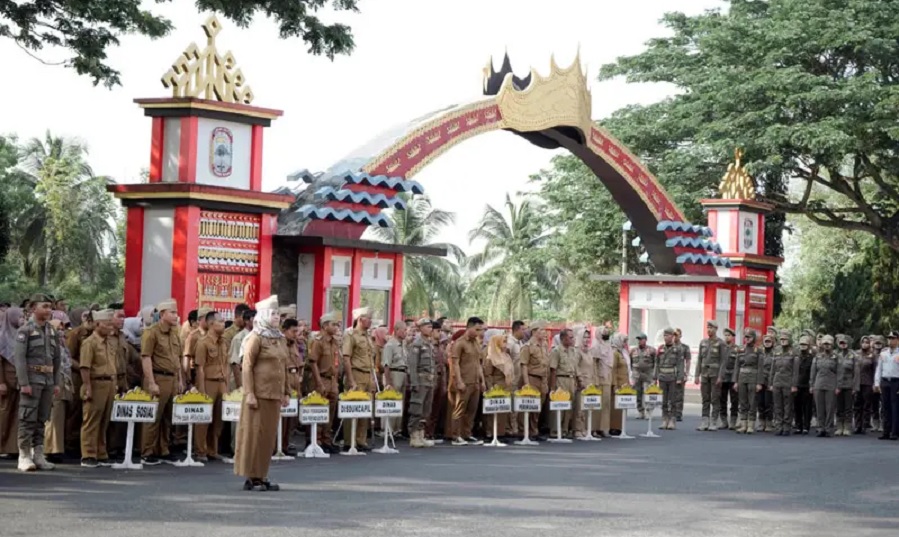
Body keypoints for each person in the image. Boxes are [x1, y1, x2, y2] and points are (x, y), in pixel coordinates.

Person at [234, 296, 290, 491]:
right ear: (264, 315)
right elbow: (247, 366)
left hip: (274, 394)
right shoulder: (255, 337)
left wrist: (286, 392)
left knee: (268, 437)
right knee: (254, 435)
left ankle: (262, 474)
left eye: (278, 314)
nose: (277, 317)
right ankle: (252, 477)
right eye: (273, 314)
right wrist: (249, 392)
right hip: (258, 395)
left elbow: (284, 366)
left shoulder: (280, 338)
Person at [14, 294, 62, 472]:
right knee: (27, 418)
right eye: (45, 306)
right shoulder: (25, 330)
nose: (49, 310)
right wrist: (23, 382)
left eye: (50, 306)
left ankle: (39, 454)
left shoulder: (52, 331)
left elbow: (57, 359)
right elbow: (19, 359)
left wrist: (56, 382)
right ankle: (24, 455)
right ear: (34, 308)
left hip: (48, 380)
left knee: (42, 419)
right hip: (32, 379)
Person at [140, 298, 183, 465]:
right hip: (158, 377)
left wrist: (180, 380)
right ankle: (147, 451)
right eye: (172, 313)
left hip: (172, 378)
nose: (176, 316)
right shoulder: (151, 332)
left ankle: (163, 449)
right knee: (153, 416)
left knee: (168, 417)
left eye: (176, 312)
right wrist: (151, 382)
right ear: (163, 314)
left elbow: (177, 359)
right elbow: (146, 358)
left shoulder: (175, 333)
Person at [78, 309, 117, 468]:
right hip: (95, 383)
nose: (110, 327)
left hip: (109, 383)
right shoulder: (90, 343)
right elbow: (85, 367)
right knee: (91, 420)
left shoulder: (110, 342)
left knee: (104, 420)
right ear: (97, 324)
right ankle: (88, 454)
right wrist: (87, 386)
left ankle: (101, 452)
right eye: (107, 324)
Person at [194, 311, 229, 462]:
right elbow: (199, 368)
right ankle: (200, 450)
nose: (223, 324)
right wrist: (201, 389)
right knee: (204, 418)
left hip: (221, 382)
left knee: (218, 419)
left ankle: (212, 450)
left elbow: (226, 364)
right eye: (220, 321)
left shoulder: (223, 342)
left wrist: (226, 385)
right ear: (211, 324)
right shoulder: (203, 343)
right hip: (208, 382)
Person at [342, 307, 376, 452]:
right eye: (368, 318)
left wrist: (373, 378)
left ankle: (361, 439)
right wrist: (351, 380)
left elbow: (371, 358)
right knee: (353, 407)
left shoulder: (368, 336)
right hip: (356, 373)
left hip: (368, 374)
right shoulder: (350, 334)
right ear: (360, 319)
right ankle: (349, 440)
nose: (371, 321)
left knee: (365, 408)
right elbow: (346, 358)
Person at [305, 312, 340, 454]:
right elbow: (313, 362)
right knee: (318, 409)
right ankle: (315, 440)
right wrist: (318, 382)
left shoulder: (334, 342)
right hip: (321, 378)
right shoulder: (318, 341)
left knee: (330, 412)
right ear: (325, 326)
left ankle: (326, 440)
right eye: (333, 324)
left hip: (332, 379)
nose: (336, 327)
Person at [448, 317, 486, 446]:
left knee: (472, 410)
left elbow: (478, 364)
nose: (479, 332)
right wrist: (459, 381)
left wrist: (482, 381)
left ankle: (467, 434)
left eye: (481, 329)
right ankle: (455, 436)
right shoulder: (460, 343)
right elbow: (455, 364)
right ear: (469, 327)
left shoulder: (476, 343)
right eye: (477, 329)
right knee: (459, 409)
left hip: (475, 382)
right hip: (464, 381)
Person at [408, 318, 437, 447]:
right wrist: (414, 382)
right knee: (416, 408)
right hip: (420, 381)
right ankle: (414, 435)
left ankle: (421, 434)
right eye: (427, 326)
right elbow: (412, 365)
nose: (430, 329)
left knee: (426, 410)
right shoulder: (417, 344)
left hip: (429, 381)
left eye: (431, 327)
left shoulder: (429, 344)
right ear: (421, 328)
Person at [0, 307, 24, 457]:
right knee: (4, 412)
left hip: (19, 380)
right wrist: (1, 382)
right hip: (6, 381)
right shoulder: (2, 337)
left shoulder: (21, 336)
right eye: (19, 316)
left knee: (17, 414)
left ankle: (11, 447)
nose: (22, 319)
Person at [695, 321, 728, 431]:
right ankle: (705, 421)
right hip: (705, 374)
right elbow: (699, 359)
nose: (709, 330)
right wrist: (697, 375)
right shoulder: (703, 342)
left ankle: (714, 421)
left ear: (716, 329)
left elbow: (723, 361)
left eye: (711, 328)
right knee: (705, 398)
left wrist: (720, 377)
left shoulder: (721, 343)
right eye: (708, 327)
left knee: (715, 398)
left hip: (715, 375)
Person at [520, 320, 548, 441]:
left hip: (542, 379)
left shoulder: (544, 345)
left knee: (538, 406)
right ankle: (526, 431)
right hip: (532, 378)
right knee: (530, 406)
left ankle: (534, 430)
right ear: (534, 331)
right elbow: (524, 366)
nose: (544, 332)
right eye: (542, 330)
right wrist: (526, 383)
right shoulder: (527, 347)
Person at [731, 328, 764, 434]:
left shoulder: (758, 350)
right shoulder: (740, 349)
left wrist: (759, 383)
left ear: (754, 338)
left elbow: (760, 368)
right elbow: (737, 366)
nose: (747, 339)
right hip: (742, 377)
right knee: (742, 401)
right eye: (746, 337)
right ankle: (743, 424)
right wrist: (735, 381)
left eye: (749, 337)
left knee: (752, 402)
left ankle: (751, 425)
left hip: (753, 377)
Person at [482, 332, 513, 441]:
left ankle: (501, 433)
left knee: (503, 411)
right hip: (495, 386)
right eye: (503, 341)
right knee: (493, 411)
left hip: (506, 387)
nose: (506, 344)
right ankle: (490, 433)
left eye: (506, 341)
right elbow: (488, 374)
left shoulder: (506, 355)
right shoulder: (490, 356)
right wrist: (490, 388)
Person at [549, 329, 578, 438]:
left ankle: (565, 429)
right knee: (559, 404)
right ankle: (555, 430)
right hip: (561, 379)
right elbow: (553, 370)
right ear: (563, 338)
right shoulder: (556, 351)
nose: (572, 339)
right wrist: (553, 387)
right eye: (570, 337)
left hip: (571, 379)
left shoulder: (572, 351)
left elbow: (574, 368)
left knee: (569, 406)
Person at [768, 331, 799, 436]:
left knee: (788, 406)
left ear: (789, 339)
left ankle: (786, 426)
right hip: (777, 381)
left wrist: (794, 385)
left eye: (785, 339)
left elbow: (795, 371)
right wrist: (770, 383)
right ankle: (779, 426)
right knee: (777, 405)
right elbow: (772, 369)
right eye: (781, 339)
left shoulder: (794, 352)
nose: (783, 341)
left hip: (788, 381)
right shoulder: (776, 350)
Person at [654, 328, 684, 430]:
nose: (665, 337)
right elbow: (657, 363)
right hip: (662, 377)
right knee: (663, 400)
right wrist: (655, 377)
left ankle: (672, 419)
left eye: (667, 335)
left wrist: (680, 378)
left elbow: (680, 364)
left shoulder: (678, 349)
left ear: (672, 336)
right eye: (664, 335)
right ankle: (664, 419)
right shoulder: (660, 348)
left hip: (672, 378)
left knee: (672, 400)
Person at [381, 321, 408, 436]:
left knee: (400, 402)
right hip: (394, 373)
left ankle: (396, 429)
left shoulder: (403, 345)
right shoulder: (390, 345)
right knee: (391, 401)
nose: (406, 332)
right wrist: (388, 382)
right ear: (397, 330)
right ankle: (388, 429)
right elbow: (386, 364)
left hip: (403, 373)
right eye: (404, 330)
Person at [810, 335, 838, 437]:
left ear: (832, 344)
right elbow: (813, 372)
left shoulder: (836, 357)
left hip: (831, 384)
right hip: (819, 384)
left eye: (828, 344)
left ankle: (828, 428)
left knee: (830, 408)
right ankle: (820, 428)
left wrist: (838, 386)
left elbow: (839, 372)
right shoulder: (817, 357)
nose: (826, 346)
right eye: (825, 344)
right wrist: (811, 385)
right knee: (819, 408)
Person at [874, 331, 899, 440]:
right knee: (885, 407)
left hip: (896, 381)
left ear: (897, 340)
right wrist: (876, 383)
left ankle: (894, 432)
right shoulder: (883, 353)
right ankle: (886, 431)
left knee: (895, 407)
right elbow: (879, 369)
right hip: (885, 381)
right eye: (889, 338)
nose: (890, 340)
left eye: (893, 338)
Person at [833, 334, 860, 437]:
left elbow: (856, 373)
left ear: (848, 343)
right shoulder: (836, 355)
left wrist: (855, 387)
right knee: (839, 407)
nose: (843, 344)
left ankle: (847, 427)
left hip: (849, 385)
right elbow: (833, 371)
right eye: (841, 343)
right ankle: (839, 427)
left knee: (848, 408)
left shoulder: (853, 355)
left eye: (844, 342)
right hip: (838, 385)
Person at [590, 326, 614, 436]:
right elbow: (594, 364)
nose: (606, 334)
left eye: (607, 332)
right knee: (596, 405)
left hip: (607, 378)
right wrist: (595, 379)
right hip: (599, 379)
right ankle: (594, 428)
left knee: (606, 405)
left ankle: (604, 428)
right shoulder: (596, 346)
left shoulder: (608, 346)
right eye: (604, 332)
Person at [630, 333, 656, 420]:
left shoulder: (651, 350)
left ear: (645, 340)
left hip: (648, 374)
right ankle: (640, 411)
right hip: (637, 374)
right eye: (638, 339)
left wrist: (654, 375)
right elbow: (630, 362)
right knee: (638, 393)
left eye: (641, 339)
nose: (639, 341)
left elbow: (655, 362)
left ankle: (648, 411)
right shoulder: (633, 350)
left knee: (647, 392)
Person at [793, 335, 815, 435]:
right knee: (797, 406)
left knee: (807, 407)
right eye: (801, 344)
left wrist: (812, 385)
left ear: (808, 345)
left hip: (807, 385)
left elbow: (813, 372)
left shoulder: (812, 358)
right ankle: (798, 426)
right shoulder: (796, 357)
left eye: (805, 344)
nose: (803, 346)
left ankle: (806, 426)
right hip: (797, 384)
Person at [719, 328, 739, 429]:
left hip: (732, 378)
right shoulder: (721, 348)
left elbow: (738, 365)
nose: (727, 337)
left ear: (733, 337)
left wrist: (736, 379)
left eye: (729, 335)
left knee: (734, 400)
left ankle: (733, 421)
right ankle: (723, 421)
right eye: (725, 335)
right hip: (722, 378)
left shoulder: (737, 349)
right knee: (722, 400)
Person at [757, 334, 776, 432]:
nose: (767, 343)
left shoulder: (775, 354)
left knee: (768, 402)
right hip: (760, 380)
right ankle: (761, 422)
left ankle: (769, 422)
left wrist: (772, 382)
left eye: (769, 341)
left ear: (772, 343)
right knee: (760, 402)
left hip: (770, 380)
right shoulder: (760, 353)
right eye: (766, 341)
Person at [672, 328, 691, 422]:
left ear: (680, 336)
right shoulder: (669, 347)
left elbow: (688, 361)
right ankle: (671, 413)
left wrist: (686, 373)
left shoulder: (684, 347)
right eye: (673, 335)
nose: (675, 337)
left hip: (680, 373)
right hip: (670, 373)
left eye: (677, 335)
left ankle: (678, 413)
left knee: (679, 395)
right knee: (670, 394)